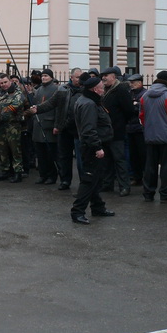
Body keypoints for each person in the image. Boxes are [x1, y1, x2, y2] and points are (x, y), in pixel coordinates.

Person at [70, 73, 115, 224]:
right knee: (89, 179)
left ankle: (98, 207)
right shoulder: (89, 103)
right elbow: (89, 129)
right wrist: (97, 147)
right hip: (93, 147)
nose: (103, 90)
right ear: (95, 89)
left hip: (94, 145)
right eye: (102, 88)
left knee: (95, 179)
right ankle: (77, 211)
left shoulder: (89, 100)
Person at [30, 67, 83, 189]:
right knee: (64, 156)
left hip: (78, 129)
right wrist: (38, 109)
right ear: (71, 77)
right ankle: (65, 180)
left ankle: (83, 183)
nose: (79, 80)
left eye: (81, 77)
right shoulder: (63, 90)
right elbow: (51, 104)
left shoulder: (84, 91)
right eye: (77, 77)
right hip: (64, 127)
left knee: (81, 159)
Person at [140, 70, 167, 202]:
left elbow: (141, 117)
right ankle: (165, 195)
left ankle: (148, 194)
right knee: (166, 167)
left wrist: (146, 131)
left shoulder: (144, 96)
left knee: (150, 167)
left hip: (150, 136)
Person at [99, 66, 135, 196]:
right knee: (106, 160)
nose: (103, 78)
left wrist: (120, 122)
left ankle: (124, 186)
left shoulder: (120, 90)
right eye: (102, 76)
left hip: (117, 131)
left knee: (119, 159)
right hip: (105, 132)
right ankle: (107, 184)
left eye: (106, 76)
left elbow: (130, 110)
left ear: (113, 77)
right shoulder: (105, 90)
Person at [0, 73, 25, 183]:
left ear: (10, 81)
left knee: (15, 150)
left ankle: (17, 172)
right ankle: (5, 170)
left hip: (13, 126)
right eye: (1, 83)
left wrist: (0, 116)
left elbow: (15, 106)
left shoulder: (18, 93)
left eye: (5, 82)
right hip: (1, 126)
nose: (4, 85)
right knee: (1, 149)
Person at [30, 68, 59, 185]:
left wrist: (56, 125)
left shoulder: (56, 90)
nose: (43, 78)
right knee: (40, 154)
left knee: (50, 154)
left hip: (49, 125)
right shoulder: (38, 90)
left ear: (51, 77)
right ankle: (43, 175)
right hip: (38, 124)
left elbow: (57, 108)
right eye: (42, 76)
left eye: (46, 76)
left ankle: (52, 176)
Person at [126, 74, 147, 187]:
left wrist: (135, 105)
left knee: (142, 154)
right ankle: (136, 176)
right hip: (130, 128)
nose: (131, 84)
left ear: (140, 83)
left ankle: (145, 176)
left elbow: (141, 108)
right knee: (133, 155)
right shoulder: (130, 93)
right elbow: (127, 107)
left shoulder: (144, 93)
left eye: (133, 82)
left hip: (140, 129)